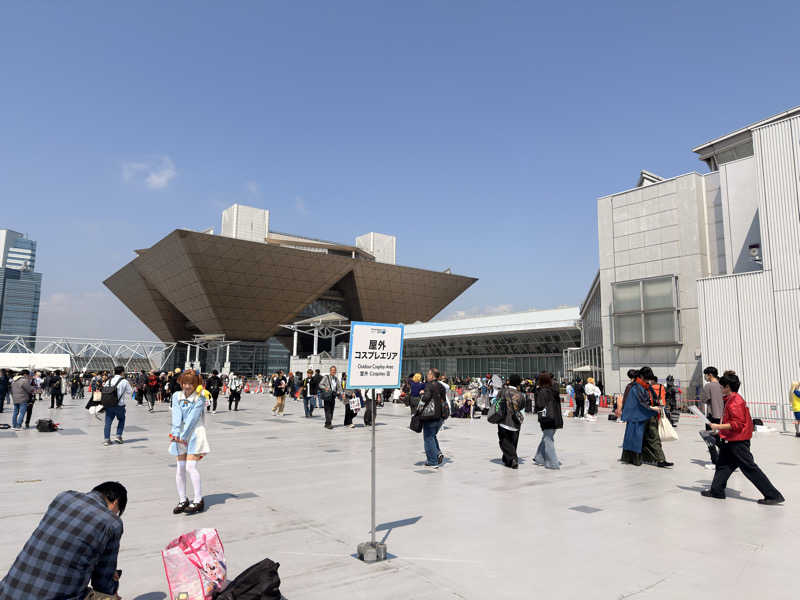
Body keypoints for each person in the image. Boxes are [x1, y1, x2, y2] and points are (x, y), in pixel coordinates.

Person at [0, 481, 127, 599]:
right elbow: (102, 583)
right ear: (115, 502)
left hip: (7, 592)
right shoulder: (112, 522)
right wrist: (113, 587)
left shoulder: (64, 497)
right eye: (118, 511)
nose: (115, 514)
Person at [701, 373, 785, 505]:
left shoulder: (735, 402)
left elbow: (737, 424)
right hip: (731, 440)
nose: (720, 389)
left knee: (749, 468)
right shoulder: (730, 399)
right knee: (723, 465)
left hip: (738, 442)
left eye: (722, 387)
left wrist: (718, 426)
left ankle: (773, 495)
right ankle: (716, 491)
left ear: (728, 387)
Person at [169, 370, 210, 515]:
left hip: (195, 434)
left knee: (190, 467)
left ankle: (198, 500)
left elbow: (193, 418)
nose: (187, 386)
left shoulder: (200, 397)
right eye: (184, 383)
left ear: (196, 384)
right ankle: (182, 499)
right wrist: (175, 433)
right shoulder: (176, 396)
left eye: (190, 384)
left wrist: (184, 435)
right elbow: (176, 415)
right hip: (179, 435)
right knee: (180, 468)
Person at [620, 367, 671, 467]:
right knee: (637, 439)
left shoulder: (646, 386)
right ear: (642, 376)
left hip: (649, 415)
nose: (648, 381)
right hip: (638, 417)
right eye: (647, 378)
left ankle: (660, 460)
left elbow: (653, 398)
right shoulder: (634, 387)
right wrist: (651, 408)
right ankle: (636, 459)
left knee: (654, 437)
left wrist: (657, 404)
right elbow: (638, 402)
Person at [534, 372, 563, 469]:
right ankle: (540, 458)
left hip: (547, 418)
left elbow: (540, 405)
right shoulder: (553, 390)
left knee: (548, 439)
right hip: (555, 418)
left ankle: (550, 462)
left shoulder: (543, 391)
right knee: (547, 438)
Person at [496, 373, 525, 469]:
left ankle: (512, 459)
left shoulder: (502, 392)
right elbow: (522, 407)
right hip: (516, 422)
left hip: (503, 420)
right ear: (519, 383)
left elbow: (496, 403)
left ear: (509, 381)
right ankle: (507, 460)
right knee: (513, 442)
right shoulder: (521, 395)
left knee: (504, 441)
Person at [103, 366, 133, 446]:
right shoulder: (124, 381)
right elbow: (130, 392)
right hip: (119, 405)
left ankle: (107, 440)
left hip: (109, 405)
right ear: (122, 372)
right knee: (121, 419)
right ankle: (118, 436)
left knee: (108, 423)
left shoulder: (109, 380)